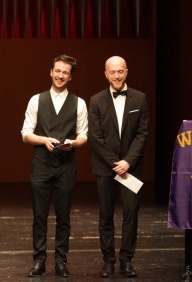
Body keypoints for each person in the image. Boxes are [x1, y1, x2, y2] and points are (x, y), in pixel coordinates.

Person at [21, 55, 88, 277]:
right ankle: (39, 260)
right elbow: (25, 134)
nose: (60, 75)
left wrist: (74, 143)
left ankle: (61, 261)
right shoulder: (36, 100)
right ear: (51, 72)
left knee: (63, 217)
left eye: (65, 73)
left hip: (66, 166)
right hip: (41, 165)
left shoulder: (79, 103)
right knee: (39, 216)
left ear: (70, 77)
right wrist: (43, 140)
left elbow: (83, 135)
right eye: (57, 71)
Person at [88, 56, 149, 278]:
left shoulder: (140, 99)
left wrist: (128, 162)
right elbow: (95, 137)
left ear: (126, 72)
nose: (116, 75)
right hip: (106, 167)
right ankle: (108, 261)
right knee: (106, 215)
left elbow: (142, 134)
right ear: (105, 73)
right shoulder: (95, 100)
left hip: (131, 168)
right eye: (112, 72)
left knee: (131, 214)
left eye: (120, 71)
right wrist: (115, 163)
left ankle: (126, 261)